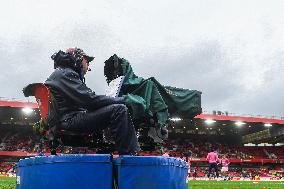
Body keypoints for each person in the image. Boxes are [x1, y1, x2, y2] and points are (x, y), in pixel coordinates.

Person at [45, 47, 140, 155]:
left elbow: (87, 100)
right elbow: (90, 101)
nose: (88, 66)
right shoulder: (66, 74)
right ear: (78, 59)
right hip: (70, 120)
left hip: (66, 118)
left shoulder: (61, 73)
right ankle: (129, 156)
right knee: (119, 110)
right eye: (87, 61)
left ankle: (112, 147)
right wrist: (123, 100)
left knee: (111, 108)